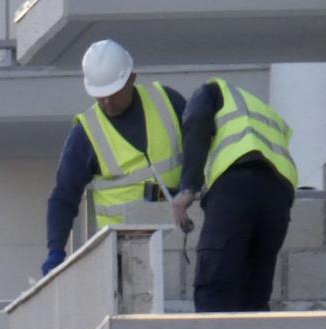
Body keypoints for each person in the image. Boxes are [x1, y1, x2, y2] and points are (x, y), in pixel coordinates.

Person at [41, 39, 186, 277]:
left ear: (131, 78)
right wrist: (55, 250)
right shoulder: (87, 133)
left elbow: (203, 152)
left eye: (113, 93)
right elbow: (63, 197)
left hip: (183, 238)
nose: (107, 101)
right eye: (100, 95)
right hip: (125, 255)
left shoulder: (167, 102)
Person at [171, 79, 297, 312]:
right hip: (279, 197)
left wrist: (188, 188)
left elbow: (197, 119)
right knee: (254, 294)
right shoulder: (260, 110)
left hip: (237, 185)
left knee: (214, 289)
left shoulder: (210, 91)